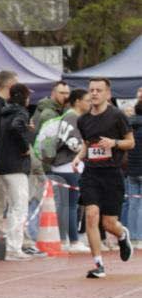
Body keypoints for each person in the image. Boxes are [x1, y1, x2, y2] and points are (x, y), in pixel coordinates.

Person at [72, 78, 134, 278]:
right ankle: (98, 264)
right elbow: (87, 145)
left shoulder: (117, 116)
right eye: (91, 90)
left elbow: (130, 142)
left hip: (112, 174)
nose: (95, 93)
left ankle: (122, 235)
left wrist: (114, 143)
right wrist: (77, 158)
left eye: (99, 90)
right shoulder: (83, 119)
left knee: (109, 224)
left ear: (108, 93)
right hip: (91, 173)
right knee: (91, 214)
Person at [0, 82, 35, 261]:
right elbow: (16, 127)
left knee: (13, 207)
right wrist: (25, 145)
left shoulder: (6, 111)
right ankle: (14, 247)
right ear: (23, 96)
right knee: (19, 207)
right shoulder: (21, 112)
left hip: (4, 163)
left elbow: (13, 128)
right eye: (28, 95)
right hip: (16, 165)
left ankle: (12, 246)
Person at [48, 88, 90, 251]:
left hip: (62, 165)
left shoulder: (68, 116)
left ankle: (65, 239)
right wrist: (87, 149)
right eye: (87, 100)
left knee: (66, 204)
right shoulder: (72, 117)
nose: (89, 103)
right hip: (68, 165)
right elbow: (73, 143)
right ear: (78, 101)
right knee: (70, 205)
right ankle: (72, 240)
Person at [124, 101, 142, 249]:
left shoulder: (128, 126)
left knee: (133, 204)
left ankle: (133, 237)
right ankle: (140, 237)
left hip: (131, 170)